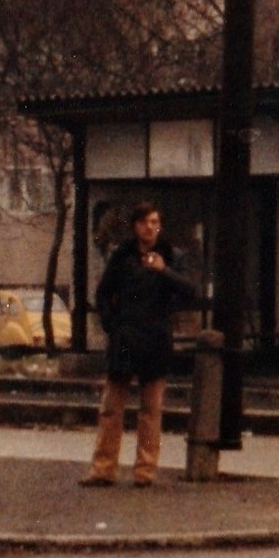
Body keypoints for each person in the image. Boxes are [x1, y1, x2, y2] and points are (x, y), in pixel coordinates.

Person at [82, 202, 198, 488]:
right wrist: (112, 326)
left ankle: (145, 471)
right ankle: (103, 469)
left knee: (151, 408)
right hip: (125, 337)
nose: (151, 227)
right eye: (145, 222)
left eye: (155, 222)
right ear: (136, 226)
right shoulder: (122, 256)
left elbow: (190, 290)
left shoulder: (171, 256)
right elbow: (102, 293)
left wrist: (163, 271)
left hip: (156, 338)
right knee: (112, 406)